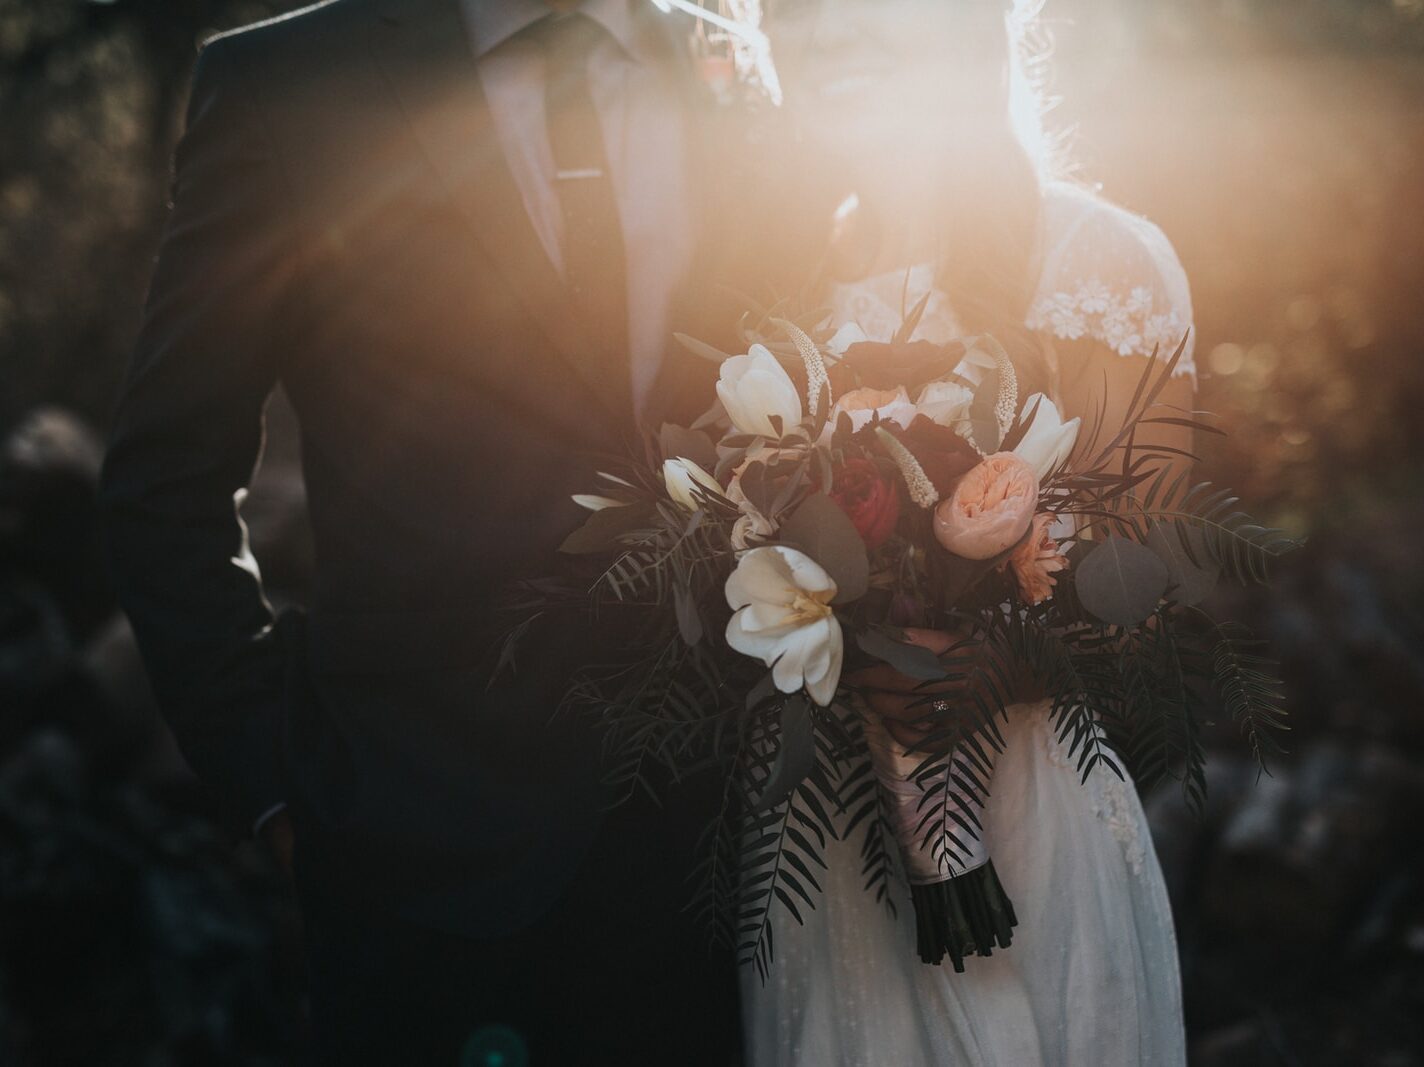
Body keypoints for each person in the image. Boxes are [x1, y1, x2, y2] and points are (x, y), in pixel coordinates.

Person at [97, 0, 742, 1061]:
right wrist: (271, 779)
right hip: (412, 854)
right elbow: (164, 475)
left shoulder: (725, 64)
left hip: (714, 855)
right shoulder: (287, 88)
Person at [739, 1, 1194, 1063]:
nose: (823, 29)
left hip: (1028, 826)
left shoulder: (1096, 260)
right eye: (787, 7)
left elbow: (1156, 572)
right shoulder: (763, 290)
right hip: (817, 853)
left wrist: (986, 661)